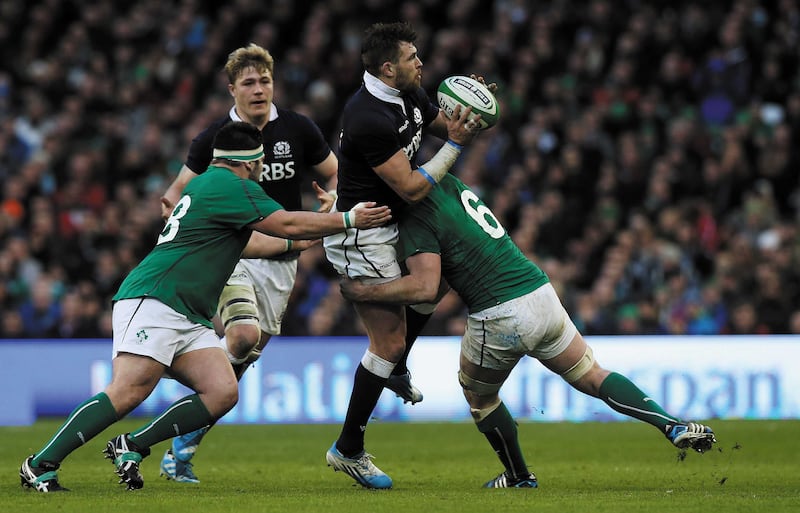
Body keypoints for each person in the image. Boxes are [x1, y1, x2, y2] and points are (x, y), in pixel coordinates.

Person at [18, 121, 391, 493]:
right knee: (129, 389)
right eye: (259, 160)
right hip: (156, 298)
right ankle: (39, 464)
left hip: (187, 312)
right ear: (250, 163)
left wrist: (318, 229)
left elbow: (258, 244)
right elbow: (288, 224)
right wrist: (346, 219)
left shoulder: (206, 186)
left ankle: (132, 445)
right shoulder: (234, 186)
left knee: (222, 391)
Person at [340, 172, 717, 489]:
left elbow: (423, 287)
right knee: (591, 374)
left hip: (500, 312)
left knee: (480, 397)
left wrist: (365, 291)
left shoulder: (415, 220)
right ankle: (671, 424)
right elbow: (442, 281)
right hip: (538, 290)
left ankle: (519, 476)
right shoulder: (448, 183)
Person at [158, 43, 338, 484]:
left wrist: (333, 195)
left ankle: (186, 436)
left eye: (265, 81)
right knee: (241, 335)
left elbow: (334, 169)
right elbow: (176, 192)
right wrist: (178, 219)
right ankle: (182, 378)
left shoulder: (297, 128)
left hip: (284, 257)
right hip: (235, 251)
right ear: (232, 90)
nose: (259, 90)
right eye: (249, 83)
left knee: (247, 350)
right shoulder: (215, 138)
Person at [321, 21, 483, 489]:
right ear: (389, 68)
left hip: (392, 220)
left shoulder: (407, 91)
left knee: (443, 275)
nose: (422, 64)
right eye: (414, 58)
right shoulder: (367, 116)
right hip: (363, 230)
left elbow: (440, 123)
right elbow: (412, 186)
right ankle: (348, 448)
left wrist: (469, 110)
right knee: (386, 343)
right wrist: (456, 144)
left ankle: (396, 368)